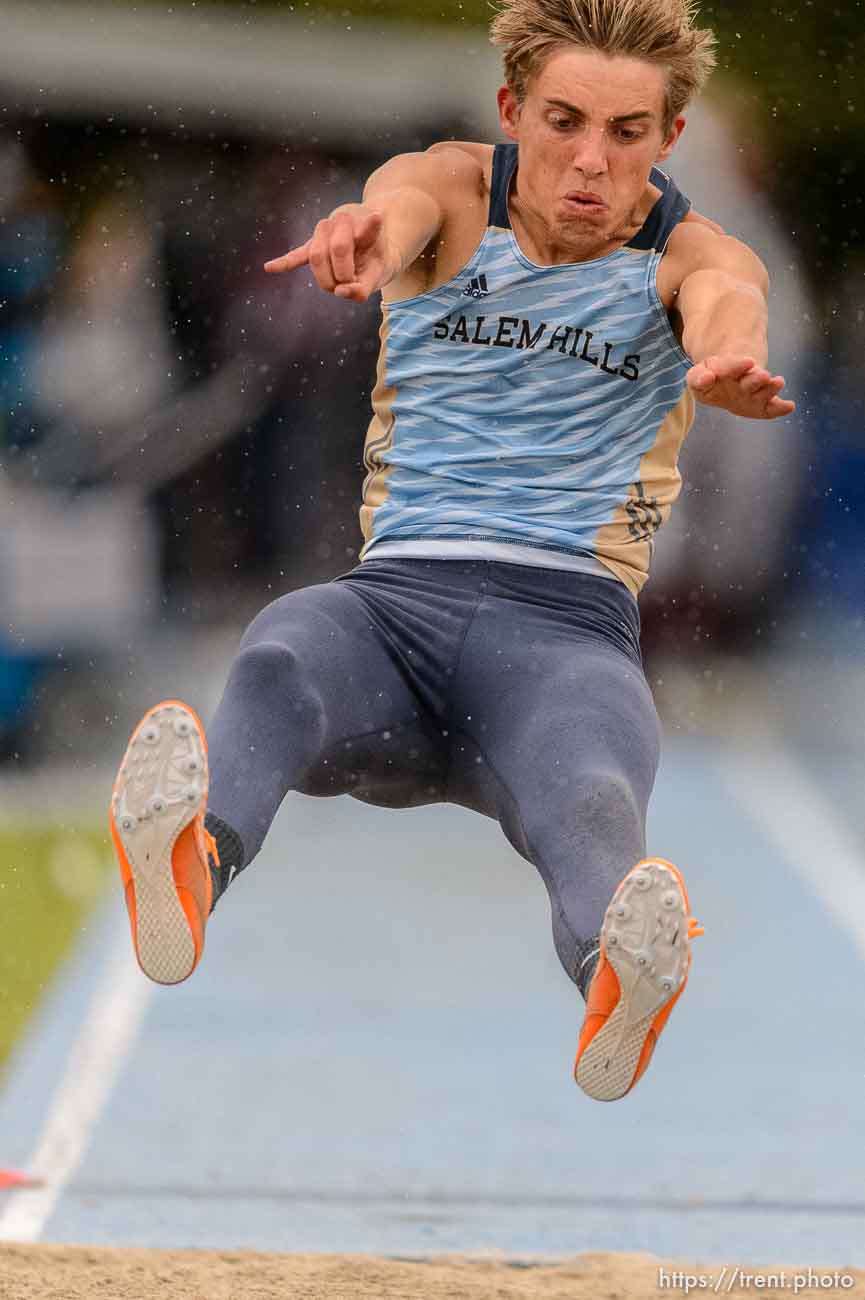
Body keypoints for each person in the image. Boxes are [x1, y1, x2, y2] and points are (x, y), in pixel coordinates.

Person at [110, 0, 794, 1103]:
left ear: (669, 140)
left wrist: (726, 358)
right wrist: (366, 232)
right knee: (284, 644)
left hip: (562, 639)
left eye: (627, 134)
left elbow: (727, 302)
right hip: (388, 620)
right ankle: (196, 860)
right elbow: (400, 200)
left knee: (588, 790)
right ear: (510, 110)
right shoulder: (451, 191)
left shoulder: (692, 253)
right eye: (564, 122)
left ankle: (618, 983)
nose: (589, 160)